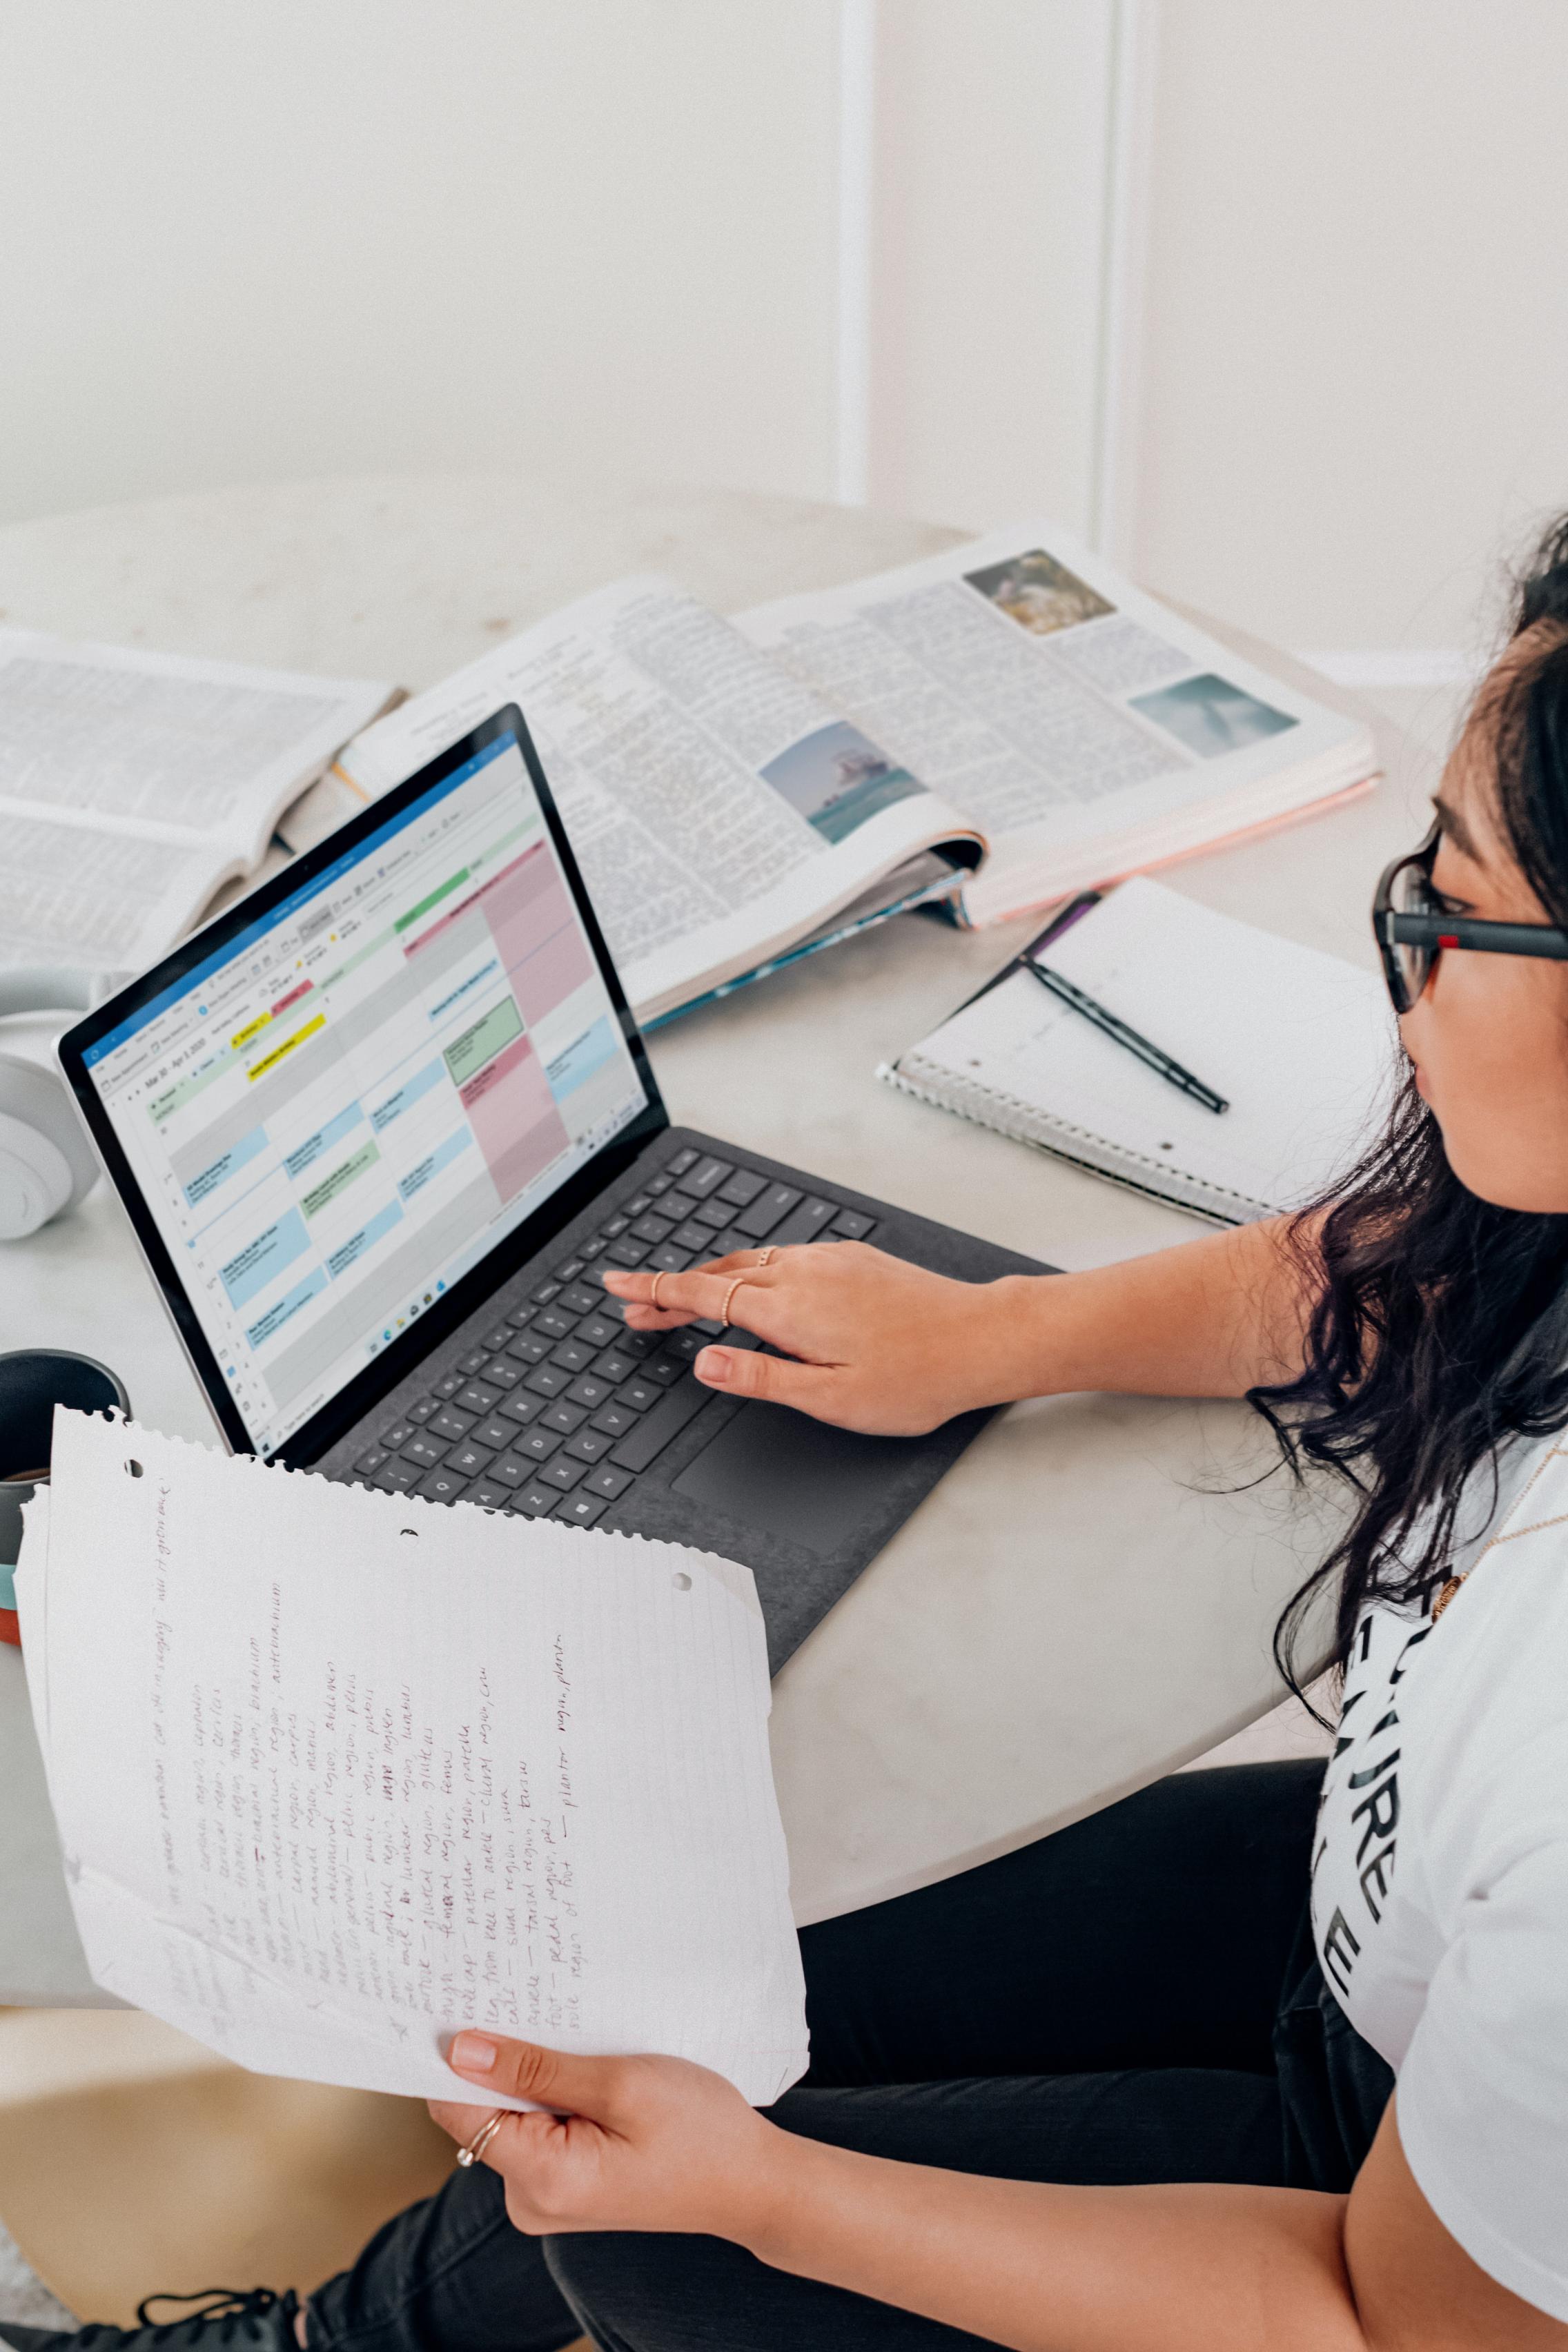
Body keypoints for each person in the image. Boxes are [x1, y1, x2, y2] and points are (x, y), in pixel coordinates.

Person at [10, 522, 1568, 2351]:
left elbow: (1399, 2328)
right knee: (651, 1996)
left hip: (1388, 2241)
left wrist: (760, 2192)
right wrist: (990, 1336)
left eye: (1450, 908)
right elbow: (1400, 1281)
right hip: (1382, 1943)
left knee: (653, 2236)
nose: (1404, 966)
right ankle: (325, 2340)